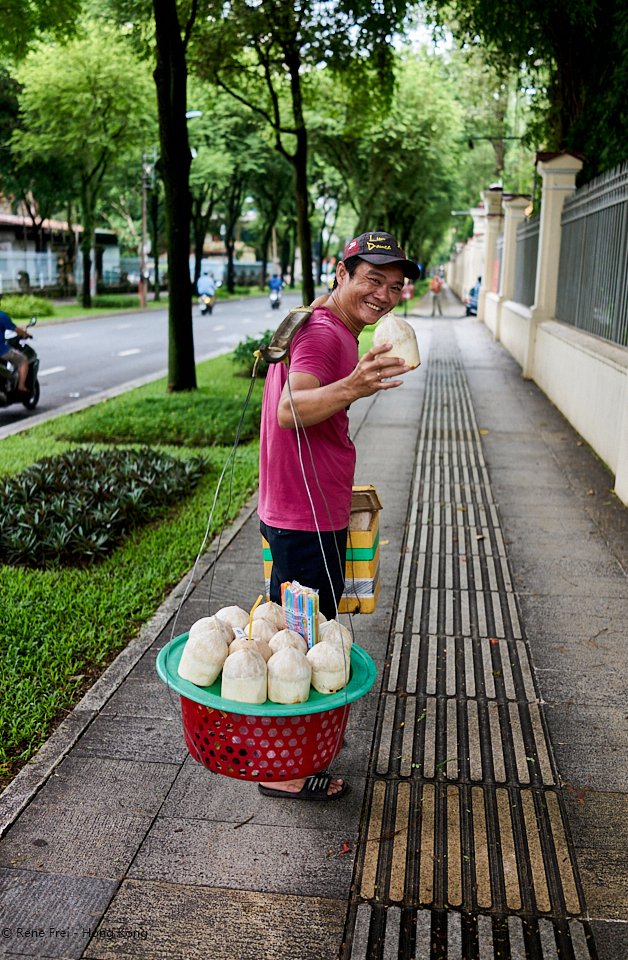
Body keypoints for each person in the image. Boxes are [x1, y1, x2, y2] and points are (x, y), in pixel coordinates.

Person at [258, 231, 419, 800]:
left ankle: (286, 752)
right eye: (372, 279)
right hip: (304, 516)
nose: (384, 294)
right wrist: (353, 385)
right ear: (342, 273)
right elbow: (289, 409)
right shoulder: (328, 336)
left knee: (289, 632)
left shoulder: (321, 320)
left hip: (298, 504)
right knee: (299, 643)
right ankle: (283, 771)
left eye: (395, 286)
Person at [0, 290, 30, 393]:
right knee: (23, 360)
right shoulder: (1, 316)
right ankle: (21, 386)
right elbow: (16, 329)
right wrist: (26, 334)